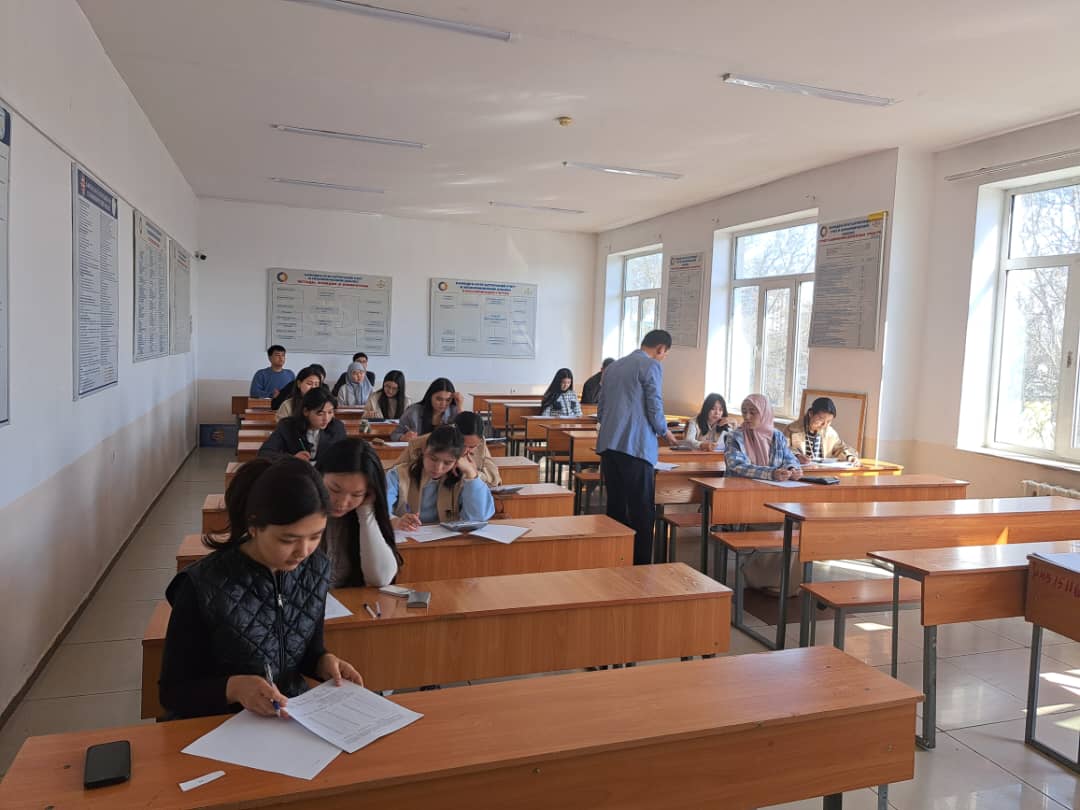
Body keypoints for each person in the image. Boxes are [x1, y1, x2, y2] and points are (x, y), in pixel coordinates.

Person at [159, 457, 363, 719]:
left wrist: (323, 662)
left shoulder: (316, 568)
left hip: (287, 715)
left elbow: (308, 651)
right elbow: (173, 692)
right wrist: (233, 688)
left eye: (315, 536)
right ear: (254, 526)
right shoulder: (201, 585)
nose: (303, 551)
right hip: (220, 723)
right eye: (288, 539)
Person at [597, 330, 677, 565]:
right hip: (635, 447)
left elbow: (601, 408)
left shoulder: (613, 367)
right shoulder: (651, 365)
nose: (663, 358)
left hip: (609, 445)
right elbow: (655, 405)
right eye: (665, 354)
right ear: (660, 349)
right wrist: (664, 431)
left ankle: (615, 559)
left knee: (616, 507)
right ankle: (640, 566)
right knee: (641, 511)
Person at [315, 439, 401, 588]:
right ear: (318, 476)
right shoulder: (299, 511)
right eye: (334, 489)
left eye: (356, 494)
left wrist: (366, 512)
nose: (342, 503)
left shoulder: (360, 513)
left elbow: (380, 579)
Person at [387, 425, 495, 527]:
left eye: (447, 463)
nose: (438, 468)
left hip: (447, 538)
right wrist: (395, 521)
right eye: (433, 459)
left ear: (457, 462)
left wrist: (471, 474)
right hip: (406, 536)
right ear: (424, 451)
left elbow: (478, 518)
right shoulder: (398, 475)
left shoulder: (462, 480)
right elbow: (380, 510)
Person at [393, 411, 501, 486]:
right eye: (463, 444)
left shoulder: (480, 444)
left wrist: (472, 473)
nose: (465, 450)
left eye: (472, 447)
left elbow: (495, 480)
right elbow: (394, 474)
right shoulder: (421, 443)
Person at [724, 394, 802, 480]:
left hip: (772, 486)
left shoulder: (777, 436)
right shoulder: (735, 437)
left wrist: (792, 469)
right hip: (741, 486)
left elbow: (789, 458)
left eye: (752, 413)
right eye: (744, 412)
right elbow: (737, 466)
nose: (747, 417)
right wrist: (771, 473)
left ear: (765, 413)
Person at [259, 387, 346, 463]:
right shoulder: (287, 426)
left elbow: (344, 456)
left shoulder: (337, 427)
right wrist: (292, 458)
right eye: (320, 413)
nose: (326, 419)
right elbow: (265, 453)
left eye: (330, 412)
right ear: (306, 411)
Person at [785, 397, 859, 464]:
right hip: (799, 471)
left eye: (829, 421)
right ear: (811, 414)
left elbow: (840, 448)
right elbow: (783, 449)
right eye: (821, 419)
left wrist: (850, 456)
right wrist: (797, 456)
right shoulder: (792, 429)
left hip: (822, 471)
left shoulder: (830, 432)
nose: (824, 425)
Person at [391, 378, 463, 441]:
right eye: (439, 399)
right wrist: (403, 437)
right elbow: (395, 434)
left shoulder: (454, 411)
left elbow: (464, 435)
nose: (443, 404)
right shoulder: (413, 411)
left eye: (448, 400)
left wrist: (460, 406)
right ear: (430, 396)